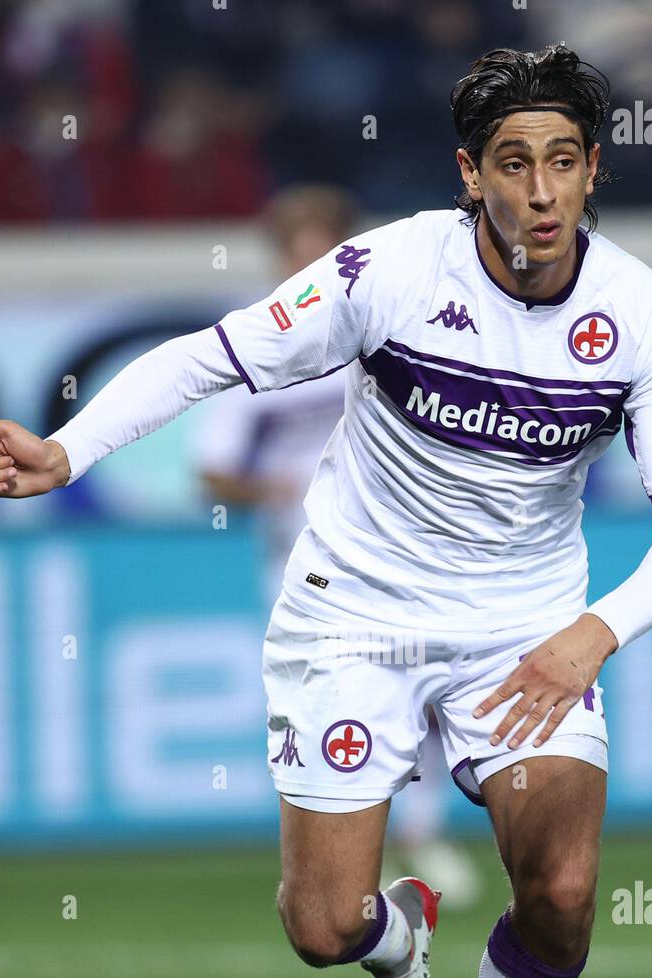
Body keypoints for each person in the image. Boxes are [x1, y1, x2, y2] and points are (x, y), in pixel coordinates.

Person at [0, 44, 652, 978]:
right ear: (471, 174)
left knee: (558, 890)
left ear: (593, 168)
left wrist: (588, 633)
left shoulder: (641, 317)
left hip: (523, 629)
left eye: (563, 160)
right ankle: (398, 951)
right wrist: (66, 450)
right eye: (514, 164)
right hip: (352, 611)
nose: (542, 191)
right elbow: (205, 360)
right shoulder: (385, 272)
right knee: (322, 925)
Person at [194, 183, 482, 906]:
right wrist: (282, 489)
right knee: (333, 705)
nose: (311, 265)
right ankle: (347, 852)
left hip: (408, 550)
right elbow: (213, 472)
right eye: (297, 252)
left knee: (427, 695)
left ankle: (420, 841)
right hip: (302, 564)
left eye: (323, 249)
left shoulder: (392, 328)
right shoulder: (260, 349)